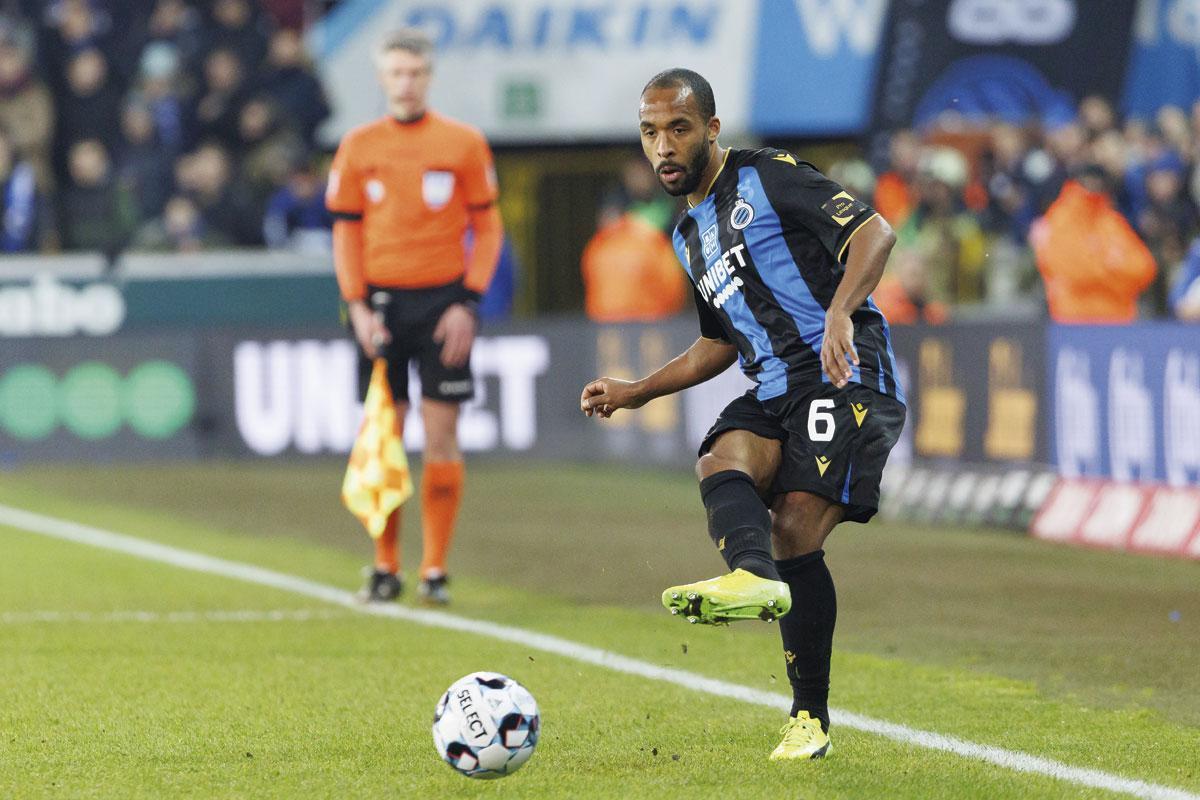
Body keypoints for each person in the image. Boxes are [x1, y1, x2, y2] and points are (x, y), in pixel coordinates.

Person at [580, 69, 905, 761]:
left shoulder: (769, 176)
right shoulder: (686, 233)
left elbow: (875, 233)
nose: (663, 147)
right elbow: (719, 342)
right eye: (649, 133)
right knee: (719, 458)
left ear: (712, 129)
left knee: (794, 528)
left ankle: (809, 716)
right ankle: (752, 575)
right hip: (773, 386)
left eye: (678, 129)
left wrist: (840, 312)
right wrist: (638, 390)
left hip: (843, 374)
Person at [325, 29, 503, 605]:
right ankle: (385, 565)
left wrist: (468, 301)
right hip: (380, 304)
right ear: (382, 78)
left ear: (429, 77)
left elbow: (488, 227)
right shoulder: (358, 146)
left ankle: (434, 569)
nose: (406, 83)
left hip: (444, 303)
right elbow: (346, 232)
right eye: (397, 73)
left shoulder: (463, 143)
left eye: (416, 73)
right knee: (385, 437)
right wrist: (356, 305)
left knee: (442, 437)